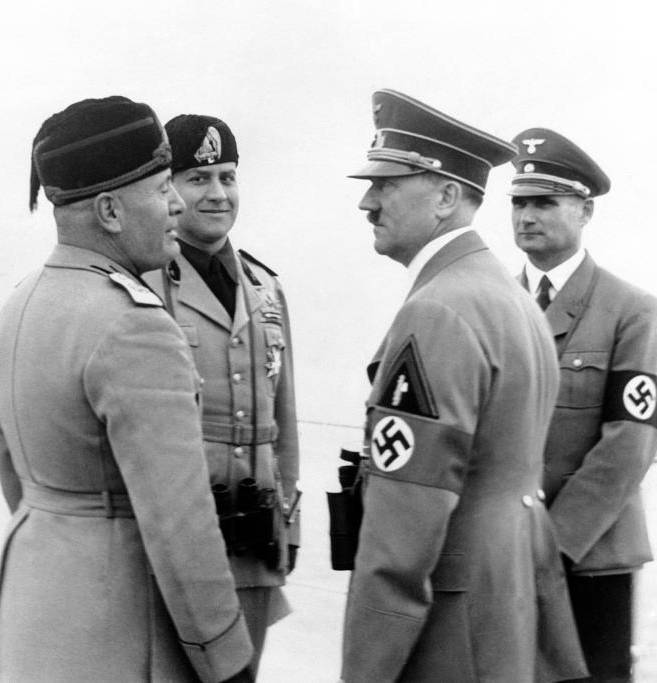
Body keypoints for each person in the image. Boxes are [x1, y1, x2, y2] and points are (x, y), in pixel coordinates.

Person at [0, 96, 254, 683]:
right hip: (118, 629)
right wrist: (227, 658)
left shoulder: (19, 304)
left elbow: (15, 478)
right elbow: (180, 525)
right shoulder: (136, 326)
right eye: (162, 189)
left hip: (31, 611)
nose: (178, 204)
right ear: (109, 210)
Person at [341, 89, 586, 682]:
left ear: (447, 196)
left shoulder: (439, 311)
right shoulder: (512, 299)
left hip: (449, 630)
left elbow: (403, 532)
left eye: (387, 184)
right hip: (507, 605)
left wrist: (364, 670)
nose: (367, 202)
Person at [145, 114, 300, 676]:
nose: (217, 195)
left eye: (228, 177)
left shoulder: (266, 288)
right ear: (168, 190)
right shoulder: (147, 285)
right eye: (198, 179)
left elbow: (285, 424)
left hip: (256, 544)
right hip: (184, 548)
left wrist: (287, 529)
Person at [509, 128, 657, 683]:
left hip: (590, 558)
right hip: (504, 558)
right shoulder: (493, 303)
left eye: (544, 201)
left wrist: (550, 547)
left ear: (585, 210)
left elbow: (629, 448)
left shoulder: (632, 311)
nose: (527, 216)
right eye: (519, 203)